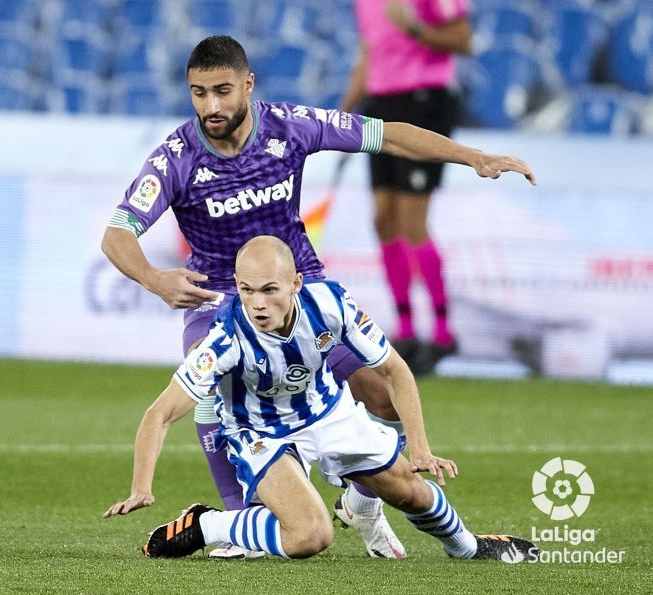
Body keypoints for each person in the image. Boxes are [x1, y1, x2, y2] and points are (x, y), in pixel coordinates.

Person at [101, 35, 534, 559]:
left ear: (248, 85)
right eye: (198, 93)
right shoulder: (176, 157)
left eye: (222, 91)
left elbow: (388, 135)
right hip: (217, 296)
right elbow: (117, 235)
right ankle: (236, 522)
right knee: (207, 378)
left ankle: (361, 500)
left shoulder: (290, 126)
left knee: (382, 395)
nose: (210, 106)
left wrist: (472, 156)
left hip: (299, 287)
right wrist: (153, 279)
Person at [104, 236, 536, 563]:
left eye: (269, 290)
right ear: (236, 286)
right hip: (260, 433)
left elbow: (394, 370)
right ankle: (208, 525)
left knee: (412, 494)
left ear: (296, 283)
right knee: (310, 535)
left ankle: (468, 548)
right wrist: (142, 486)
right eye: (247, 290)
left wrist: (420, 447)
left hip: (329, 413)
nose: (257, 304)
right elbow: (160, 414)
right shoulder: (224, 339)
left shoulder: (331, 303)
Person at [340, 0, 473, 373]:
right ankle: (407, 330)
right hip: (380, 104)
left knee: (413, 223)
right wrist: (345, 114)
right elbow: (369, 53)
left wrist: (414, 28)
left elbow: (463, 40)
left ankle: (443, 333)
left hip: (423, 101)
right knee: (383, 220)